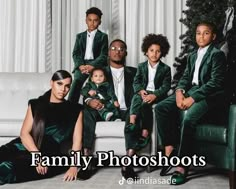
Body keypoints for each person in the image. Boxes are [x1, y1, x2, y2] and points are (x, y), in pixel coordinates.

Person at [155, 21, 226, 185]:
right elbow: (185, 77)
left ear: (213, 36)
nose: (201, 36)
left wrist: (193, 98)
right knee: (161, 108)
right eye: (198, 33)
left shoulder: (217, 54)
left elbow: (216, 83)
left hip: (208, 95)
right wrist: (179, 92)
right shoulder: (193, 55)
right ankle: (170, 148)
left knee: (189, 119)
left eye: (206, 33)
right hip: (190, 90)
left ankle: (182, 165)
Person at [0, 70, 83, 184]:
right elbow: (24, 134)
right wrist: (36, 156)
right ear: (51, 83)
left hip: (49, 155)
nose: (63, 89)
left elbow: (77, 142)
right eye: (59, 84)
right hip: (25, 145)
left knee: (6, 168)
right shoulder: (36, 104)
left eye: (67, 86)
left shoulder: (75, 110)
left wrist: (73, 166)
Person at [77, 39, 137, 180]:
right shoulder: (99, 73)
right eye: (114, 48)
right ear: (108, 52)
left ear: (125, 53)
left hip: (125, 110)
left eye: (121, 49)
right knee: (86, 112)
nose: (117, 51)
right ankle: (87, 160)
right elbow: (87, 90)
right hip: (102, 108)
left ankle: (127, 163)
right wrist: (90, 101)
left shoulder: (134, 72)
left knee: (134, 112)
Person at [122, 34, 171, 179]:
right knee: (136, 102)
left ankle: (143, 133)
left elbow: (166, 86)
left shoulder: (165, 69)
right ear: (146, 52)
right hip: (142, 94)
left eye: (158, 51)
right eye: (151, 50)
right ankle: (128, 161)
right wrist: (141, 90)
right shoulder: (141, 66)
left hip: (156, 96)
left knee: (144, 107)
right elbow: (136, 82)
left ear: (162, 53)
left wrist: (154, 95)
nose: (154, 53)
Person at [68, 7, 108, 103]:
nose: (92, 23)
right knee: (76, 82)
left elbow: (104, 55)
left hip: (96, 64)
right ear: (86, 20)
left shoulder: (103, 37)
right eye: (90, 20)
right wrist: (80, 65)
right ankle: (69, 107)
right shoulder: (80, 36)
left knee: (95, 85)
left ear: (99, 22)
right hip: (82, 64)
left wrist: (92, 65)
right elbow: (76, 53)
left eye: (95, 20)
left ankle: (94, 108)